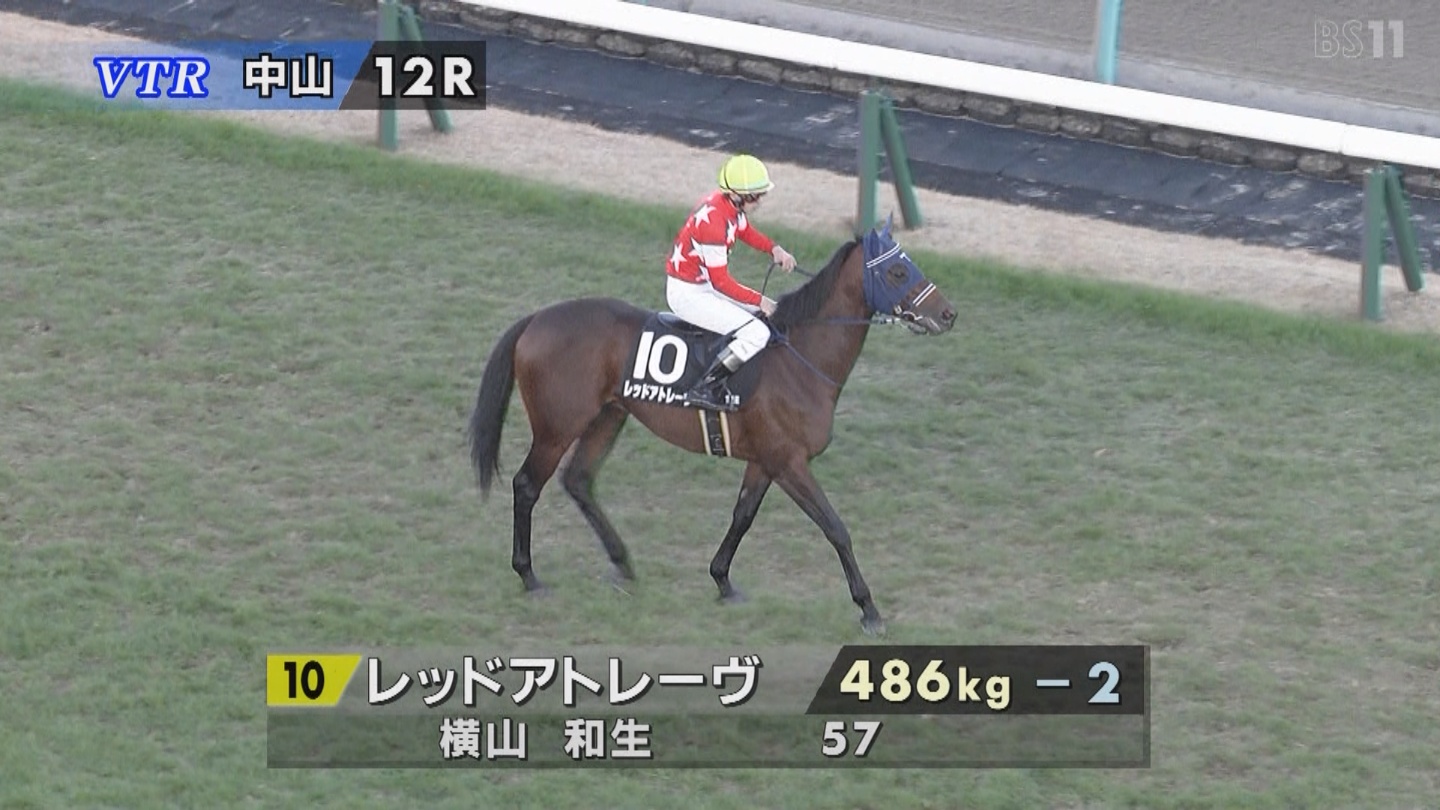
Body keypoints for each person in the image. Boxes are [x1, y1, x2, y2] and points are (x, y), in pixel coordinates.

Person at [664, 154, 797, 410]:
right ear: (737, 195)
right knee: (757, 332)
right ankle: (706, 388)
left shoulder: (727, 205)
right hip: (688, 295)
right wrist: (760, 300)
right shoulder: (714, 224)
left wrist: (774, 249)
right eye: (755, 196)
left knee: (766, 313)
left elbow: (744, 230)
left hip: (701, 285)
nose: (759, 202)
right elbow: (722, 283)